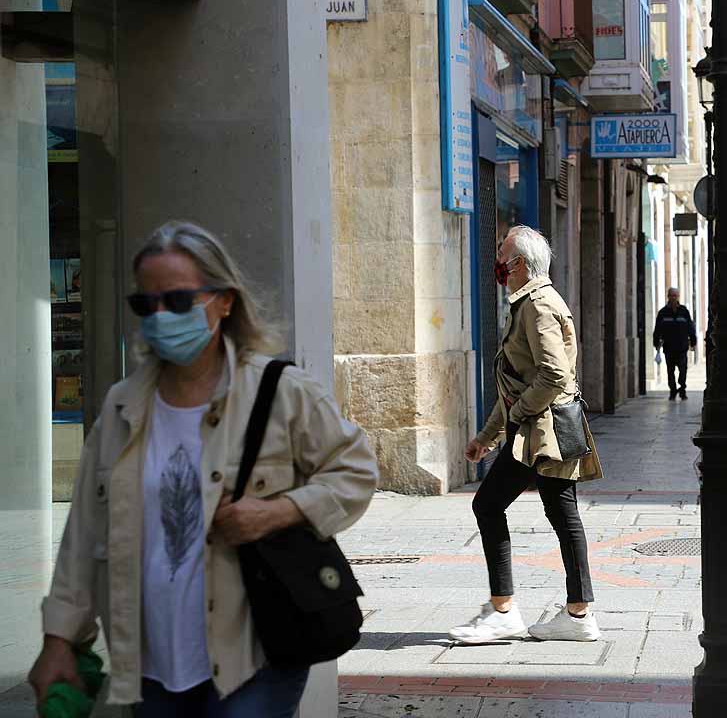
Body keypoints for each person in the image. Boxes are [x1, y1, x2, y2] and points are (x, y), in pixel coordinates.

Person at [29, 221, 378, 716]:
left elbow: (356, 470)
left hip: (253, 660)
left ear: (225, 300)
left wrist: (278, 512)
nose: (159, 317)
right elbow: (83, 535)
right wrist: (60, 638)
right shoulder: (122, 406)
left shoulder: (280, 390)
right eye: (144, 305)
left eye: (177, 302)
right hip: (149, 669)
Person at [456, 226, 603, 645]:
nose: (498, 263)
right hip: (538, 428)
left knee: (494, 505)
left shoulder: (537, 305)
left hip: (544, 431)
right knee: (556, 513)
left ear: (518, 263)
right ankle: (572, 613)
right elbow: (516, 381)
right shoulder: (527, 303)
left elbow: (554, 373)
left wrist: (516, 417)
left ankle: (510, 611)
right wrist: (488, 434)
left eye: (502, 255)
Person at [652, 287, 697, 400]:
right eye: (671, 295)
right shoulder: (663, 313)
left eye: (675, 295)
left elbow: (690, 327)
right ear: (668, 297)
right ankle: (673, 391)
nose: (673, 298)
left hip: (682, 347)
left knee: (683, 371)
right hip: (669, 347)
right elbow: (657, 329)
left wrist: (693, 341)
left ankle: (682, 389)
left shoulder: (684, 311)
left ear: (678, 297)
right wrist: (656, 342)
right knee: (670, 371)